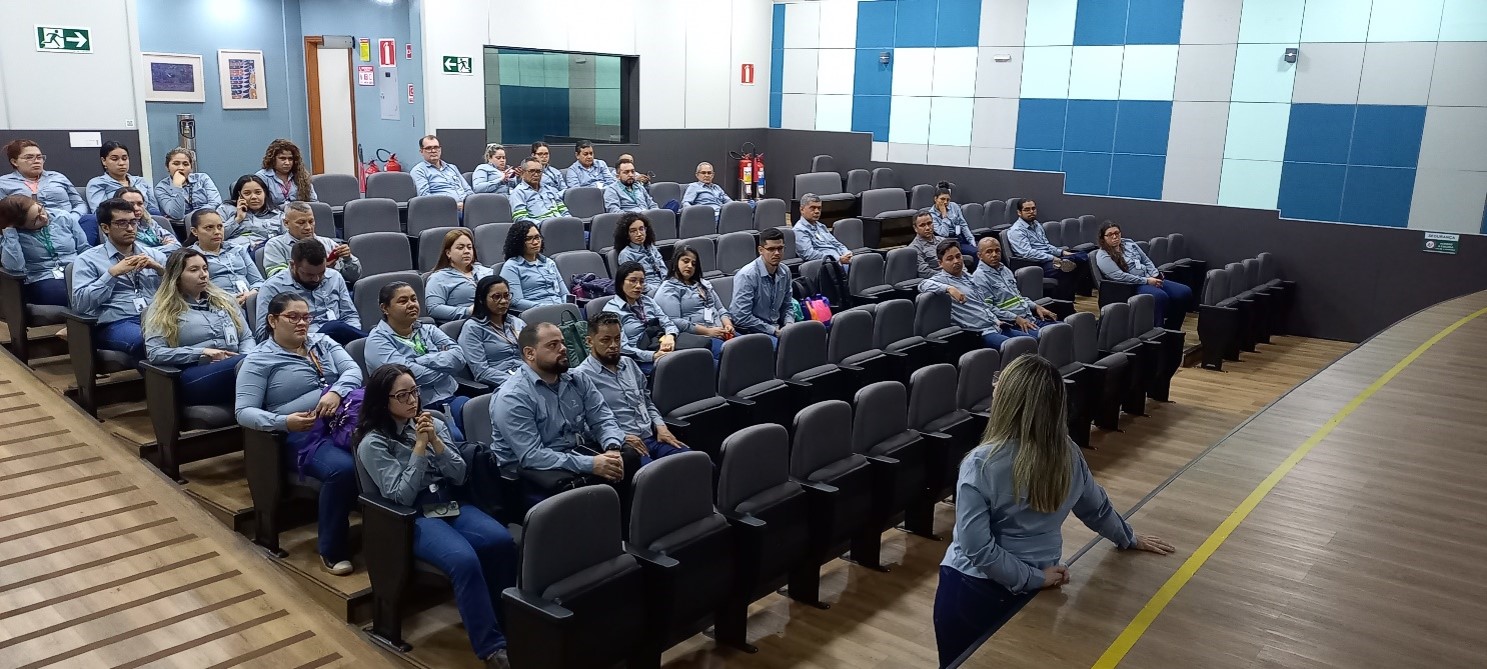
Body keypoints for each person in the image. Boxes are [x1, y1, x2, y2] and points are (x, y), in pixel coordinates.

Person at [934, 355, 1173, 666]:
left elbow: (975, 548)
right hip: (1034, 588)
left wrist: (1033, 578)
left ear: (1008, 399)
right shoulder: (1069, 453)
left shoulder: (980, 463)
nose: (993, 387)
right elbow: (1096, 510)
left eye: (998, 383)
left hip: (974, 590)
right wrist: (1128, 538)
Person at [354, 364, 515, 669]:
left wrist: (437, 443)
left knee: (500, 541)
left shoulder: (432, 423)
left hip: (449, 502)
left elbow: (459, 476)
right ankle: (492, 649)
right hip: (412, 517)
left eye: (414, 391)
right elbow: (399, 496)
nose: (412, 400)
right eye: (402, 395)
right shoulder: (373, 443)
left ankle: (508, 625)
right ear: (382, 401)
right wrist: (418, 448)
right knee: (464, 560)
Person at [235, 292, 362, 576]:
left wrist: (338, 392)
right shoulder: (259, 360)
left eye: (306, 317)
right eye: (293, 317)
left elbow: (353, 370)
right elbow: (243, 412)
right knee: (342, 470)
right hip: (298, 436)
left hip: (341, 422)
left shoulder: (322, 342)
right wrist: (284, 422)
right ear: (272, 320)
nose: (302, 323)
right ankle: (331, 549)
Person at [491, 321, 639, 504]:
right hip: (532, 475)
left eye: (562, 342)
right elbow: (532, 456)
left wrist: (612, 448)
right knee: (587, 486)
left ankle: (626, 527)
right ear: (530, 353)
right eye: (553, 345)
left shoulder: (578, 378)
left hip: (572, 453)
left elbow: (602, 418)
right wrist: (591, 465)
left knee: (627, 458)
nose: (563, 348)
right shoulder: (512, 397)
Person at [575, 311, 690, 464]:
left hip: (653, 436)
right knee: (659, 480)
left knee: (697, 465)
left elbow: (647, 402)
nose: (614, 346)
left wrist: (661, 426)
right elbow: (582, 427)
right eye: (606, 340)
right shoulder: (581, 377)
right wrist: (619, 438)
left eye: (617, 339)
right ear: (589, 342)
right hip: (625, 447)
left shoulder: (629, 364)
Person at [143, 248, 256, 406]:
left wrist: (245, 356)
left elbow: (246, 337)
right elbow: (155, 353)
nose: (203, 274)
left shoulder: (225, 300)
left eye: (205, 268)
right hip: (195, 375)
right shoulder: (162, 309)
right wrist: (201, 352)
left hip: (238, 365)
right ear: (177, 276)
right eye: (194, 270)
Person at [365, 282, 470, 441]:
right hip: (412, 408)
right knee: (455, 438)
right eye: (403, 301)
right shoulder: (377, 341)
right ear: (385, 308)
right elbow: (406, 379)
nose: (411, 304)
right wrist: (444, 365)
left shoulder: (428, 329)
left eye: (414, 299)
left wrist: (419, 360)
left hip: (450, 397)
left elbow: (459, 359)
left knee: (481, 418)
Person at [71, 198, 168, 360]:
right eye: (122, 223)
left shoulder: (154, 255)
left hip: (156, 317)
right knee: (146, 342)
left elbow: (181, 293)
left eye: (133, 222)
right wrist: (112, 274)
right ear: (105, 228)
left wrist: (160, 270)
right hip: (116, 322)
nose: (130, 228)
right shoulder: (87, 260)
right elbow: (80, 304)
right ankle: (169, 385)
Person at [919, 240, 1032, 351]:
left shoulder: (969, 277)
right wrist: (949, 288)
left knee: (1031, 341)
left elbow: (983, 306)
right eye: (950, 259)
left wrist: (997, 320)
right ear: (940, 263)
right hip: (979, 333)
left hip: (996, 326)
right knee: (1017, 347)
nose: (956, 261)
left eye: (958, 256)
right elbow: (922, 285)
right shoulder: (942, 280)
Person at [254, 238, 362, 345]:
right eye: (309, 274)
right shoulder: (272, 287)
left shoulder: (334, 277)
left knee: (343, 331)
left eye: (321, 272)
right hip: (300, 346)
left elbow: (350, 315)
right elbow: (262, 335)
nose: (316, 279)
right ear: (292, 265)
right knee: (334, 327)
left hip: (340, 342)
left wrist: (353, 340)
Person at [1094, 221, 1193, 330]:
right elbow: (1120, 276)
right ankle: (1158, 331)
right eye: (1110, 234)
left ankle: (1172, 328)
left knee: (1184, 292)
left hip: (1150, 278)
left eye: (1117, 233)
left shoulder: (1128, 243)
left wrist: (1155, 274)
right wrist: (1147, 281)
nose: (1115, 237)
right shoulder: (1103, 255)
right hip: (1132, 285)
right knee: (1160, 296)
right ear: (1103, 238)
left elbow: (1146, 260)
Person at [0, 194, 90, 306]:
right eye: (35, 220)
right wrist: (10, 233)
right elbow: (15, 268)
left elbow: (84, 248)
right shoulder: (12, 235)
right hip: (43, 278)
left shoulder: (63, 217)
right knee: (67, 293)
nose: (44, 218)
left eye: (41, 210)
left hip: (76, 269)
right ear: (20, 226)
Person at [654, 244, 732, 359]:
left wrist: (728, 324)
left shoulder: (702, 284)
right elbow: (674, 321)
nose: (690, 266)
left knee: (749, 346)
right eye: (685, 261)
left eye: (693, 264)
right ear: (675, 263)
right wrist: (708, 331)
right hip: (699, 337)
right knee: (730, 355)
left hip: (721, 331)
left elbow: (720, 309)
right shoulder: (668, 289)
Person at [604, 262, 680, 374]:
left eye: (642, 281)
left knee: (699, 357)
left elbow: (667, 323)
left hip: (661, 344)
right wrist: (653, 356)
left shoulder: (647, 301)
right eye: (633, 281)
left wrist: (670, 336)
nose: (639, 286)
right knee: (679, 368)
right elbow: (622, 347)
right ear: (621, 282)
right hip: (639, 359)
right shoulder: (611, 311)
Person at [974, 236, 1059, 335]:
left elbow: (1018, 297)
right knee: (1051, 336)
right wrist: (1016, 318)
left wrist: (1036, 306)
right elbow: (988, 309)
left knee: (1064, 329)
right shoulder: (980, 277)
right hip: (1013, 325)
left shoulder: (1004, 270)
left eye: (997, 251)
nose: (994, 255)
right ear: (979, 255)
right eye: (989, 252)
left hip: (1030, 318)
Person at [1007, 199, 1087, 301]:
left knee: (1083, 256)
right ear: (1019, 212)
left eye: (1033, 208)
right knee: (1066, 268)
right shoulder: (1016, 231)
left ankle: (1067, 295)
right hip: (1036, 264)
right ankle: (1065, 303)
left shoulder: (1036, 225)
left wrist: (1062, 252)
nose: (1031, 212)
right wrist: (1053, 258)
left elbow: (1046, 245)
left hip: (1049, 259)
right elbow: (1027, 253)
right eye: (1027, 209)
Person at [0, 140, 86, 232]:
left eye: (39, 157)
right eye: (29, 157)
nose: (36, 161)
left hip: (68, 225)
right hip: (27, 231)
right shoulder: (3, 183)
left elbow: (79, 204)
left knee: (90, 220)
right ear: (14, 162)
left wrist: (72, 218)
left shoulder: (58, 177)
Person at [262, 202, 359, 283]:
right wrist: (320, 270)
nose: (308, 227)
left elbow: (354, 277)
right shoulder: (275, 245)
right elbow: (276, 279)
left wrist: (348, 259)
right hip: (296, 298)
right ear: (286, 223)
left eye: (311, 221)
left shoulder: (328, 243)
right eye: (301, 223)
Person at [459, 276, 527, 388]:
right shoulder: (473, 328)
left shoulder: (517, 322)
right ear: (481, 299)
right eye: (496, 297)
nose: (504, 301)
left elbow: (534, 355)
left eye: (506, 296)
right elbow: (481, 372)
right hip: (503, 383)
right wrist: (517, 382)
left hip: (527, 374)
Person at [730, 227, 794, 338]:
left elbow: (787, 305)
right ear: (761, 250)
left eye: (780, 248)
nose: (777, 253)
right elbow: (740, 316)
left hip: (777, 328)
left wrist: (789, 324)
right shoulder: (747, 275)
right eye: (771, 249)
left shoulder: (785, 271)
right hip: (753, 331)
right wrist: (773, 330)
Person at [189, 208, 262, 306]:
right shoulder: (190, 257)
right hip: (217, 304)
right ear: (195, 231)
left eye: (220, 227)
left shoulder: (238, 249)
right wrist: (230, 299)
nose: (217, 232)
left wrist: (251, 295)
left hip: (251, 300)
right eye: (209, 227)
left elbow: (258, 281)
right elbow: (196, 292)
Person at [426, 228, 495, 323]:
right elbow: (434, 308)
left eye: (469, 247)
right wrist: (468, 311)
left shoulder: (485, 271)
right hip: (464, 323)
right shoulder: (438, 278)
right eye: (460, 247)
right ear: (448, 253)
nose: (466, 251)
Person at [498, 221, 569, 312]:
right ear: (518, 242)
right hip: (536, 313)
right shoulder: (511, 266)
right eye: (529, 239)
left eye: (537, 237)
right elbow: (516, 301)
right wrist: (546, 308)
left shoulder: (549, 263)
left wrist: (566, 307)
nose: (535, 242)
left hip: (561, 311)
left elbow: (565, 293)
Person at [86, 141, 159, 214]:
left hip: (145, 221)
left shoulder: (141, 181)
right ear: (104, 161)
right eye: (114, 159)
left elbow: (153, 209)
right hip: (118, 223)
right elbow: (100, 213)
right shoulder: (97, 183)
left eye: (124, 158)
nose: (121, 163)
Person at [217, 175, 285, 250]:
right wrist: (237, 219)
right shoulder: (225, 209)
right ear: (239, 195)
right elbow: (214, 236)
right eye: (247, 193)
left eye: (258, 192)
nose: (253, 197)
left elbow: (287, 241)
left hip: (266, 253)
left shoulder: (278, 215)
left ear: (264, 193)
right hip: (233, 253)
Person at [155, 148, 223, 222]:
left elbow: (216, 202)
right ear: (167, 167)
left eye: (185, 164)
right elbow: (176, 215)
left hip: (208, 221)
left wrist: (193, 217)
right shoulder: (161, 188)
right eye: (176, 163)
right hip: (180, 228)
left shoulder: (202, 178)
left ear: (191, 168)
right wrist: (177, 186)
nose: (181, 168)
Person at [793, 193, 851, 271]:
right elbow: (809, 254)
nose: (817, 211)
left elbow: (836, 243)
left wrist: (846, 253)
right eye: (812, 208)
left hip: (840, 261)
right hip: (825, 266)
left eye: (819, 208)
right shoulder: (799, 230)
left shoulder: (821, 226)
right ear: (802, 209)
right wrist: (837, 259)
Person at [411, 134, 471, 209]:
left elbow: (467, 190)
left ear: (440, 149)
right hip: (443, 210)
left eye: (436, 147)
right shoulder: (419, 170)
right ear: (421, 152)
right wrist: (454, 205)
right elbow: (425, 197)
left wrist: (471, 203)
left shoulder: (452, 167)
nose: (433, 151)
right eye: (428, 148)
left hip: (467, 208)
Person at [115, 186, 181, 253]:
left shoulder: (149, 221)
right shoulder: (118, 227)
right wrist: (165, 246)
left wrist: (151, 251)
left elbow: (176, 246)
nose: (137, 208)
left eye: (140, 204)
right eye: (130, 204)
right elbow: (136, 254)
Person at [255, 139, 317, 205]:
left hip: (300, 213)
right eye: (282, 158)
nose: (287, 163)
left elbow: (314, 202)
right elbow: (260, 207)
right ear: (272, 159)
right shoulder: (261, 177)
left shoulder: (302, 176)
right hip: (274, 214)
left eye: (290, 159)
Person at [613, 212, 664, 291]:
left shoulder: (651, 248)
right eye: (633, 231)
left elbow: (663, 270)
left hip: (664, 286)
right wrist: (659, 289)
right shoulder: (626, 254)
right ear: (627, 235)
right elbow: (635, 283)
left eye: (641, 229)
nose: (639, 234)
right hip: (648, 291)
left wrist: (668, 284)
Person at [509, 158, 570, 223]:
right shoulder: (518, 193)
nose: (536, 175)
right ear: (523, 173)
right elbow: (520, 218)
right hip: (540, 228)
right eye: (532, 171)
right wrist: (543, 225)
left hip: (561, 225)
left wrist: (570, 222)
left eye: (538, 171)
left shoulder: (549, 189)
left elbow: (564, 211)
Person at [931, 183, 976, 269]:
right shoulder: (932, 215)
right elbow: (944, 233)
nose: (945, 202)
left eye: (948, 200)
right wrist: (944, 215)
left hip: (960, 236)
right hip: (948, 242)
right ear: (935, 199)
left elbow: (963, 225)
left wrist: (972, 241)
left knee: (981, 247)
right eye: (942, 199)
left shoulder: (954, 206)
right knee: (975, 252)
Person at [909, 209, 945, 279]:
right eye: (922, 225)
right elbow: (924, 272)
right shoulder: (914, 249)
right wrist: (948, 276)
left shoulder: (943, 240)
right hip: (938, 280)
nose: (928, 228)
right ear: (915, 228)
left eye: (929, 223)